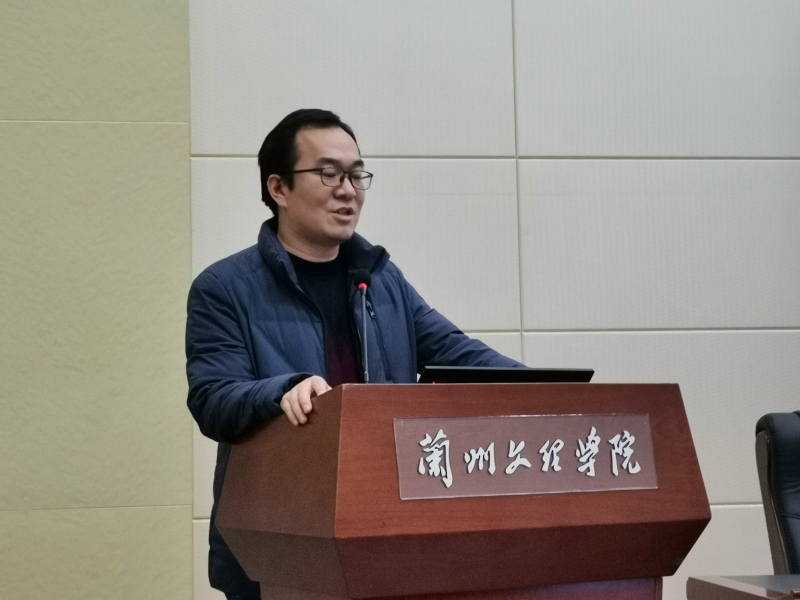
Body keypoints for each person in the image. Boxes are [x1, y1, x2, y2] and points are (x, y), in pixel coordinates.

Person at [185, 108, 524, 600]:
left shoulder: (380, 281)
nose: (347, 190)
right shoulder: (225, 288)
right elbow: (213, 397)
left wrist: (545, 388)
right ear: (278, 188)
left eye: (356, 175)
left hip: (384, 537)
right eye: (328, 174)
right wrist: (283, 390)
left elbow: (455, 352)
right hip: (281, 548)